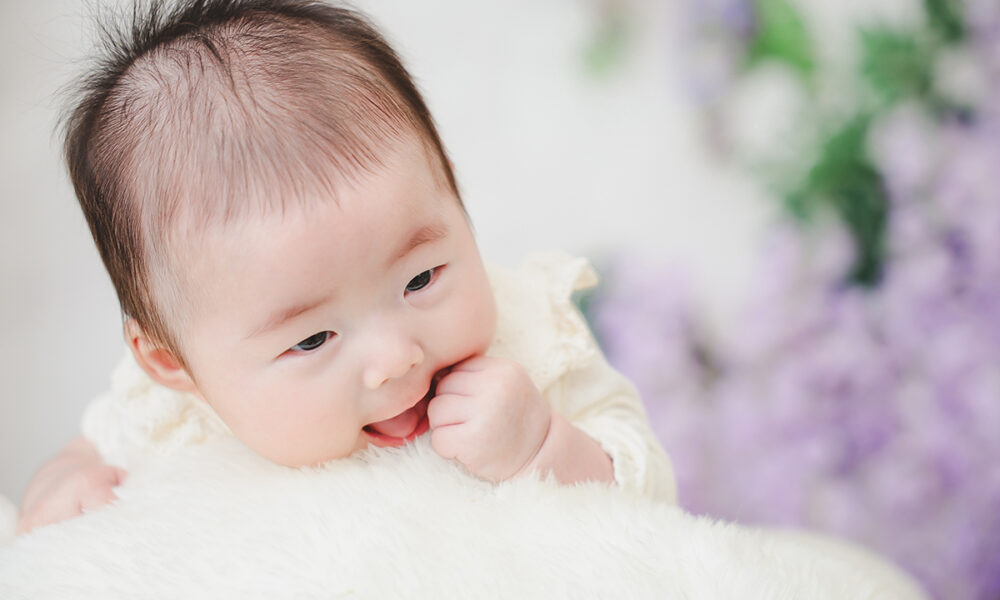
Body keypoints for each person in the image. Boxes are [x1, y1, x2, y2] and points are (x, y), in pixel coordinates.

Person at [17, 0, 675, 534]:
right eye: (312, 339)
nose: (395, 359)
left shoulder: (532, 343)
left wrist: (542, 447)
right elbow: (100, 443)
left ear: (455, 201)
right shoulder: (166, 409)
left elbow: (652, 502)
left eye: (421, 279)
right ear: (173, 363)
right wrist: (66, 476)